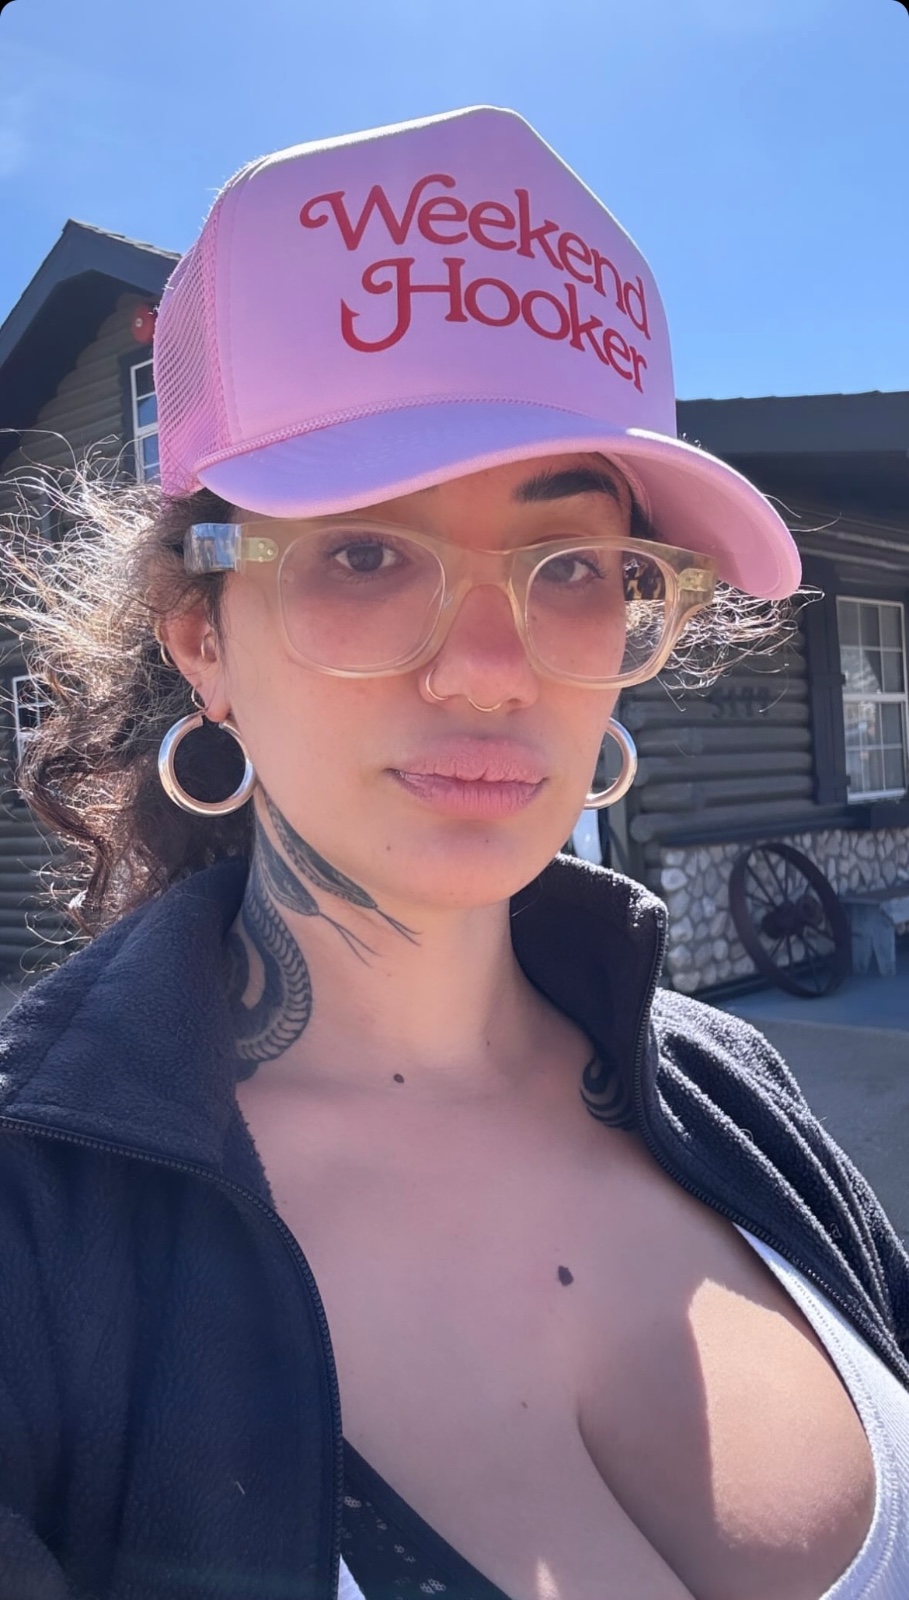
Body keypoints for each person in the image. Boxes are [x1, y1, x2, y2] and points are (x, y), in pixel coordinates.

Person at [1, 106, 907, 1600]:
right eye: (363, 552)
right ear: (201, 637)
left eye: (575, 566)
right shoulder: (39, 1234)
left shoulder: (728, 1084)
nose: (493, 669)